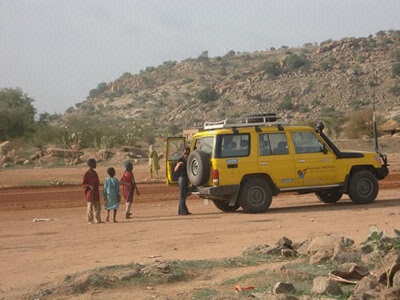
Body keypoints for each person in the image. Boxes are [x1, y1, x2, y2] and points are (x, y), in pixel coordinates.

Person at [82, 158, 102, 224]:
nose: (95, 165)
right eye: (94, 164)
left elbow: (98, 182)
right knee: (90, 208)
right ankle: (90, 220)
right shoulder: (86, 174)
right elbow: (84, 184)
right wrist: (89, 186)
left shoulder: (95, 173)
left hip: (96, 192)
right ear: (90, 165)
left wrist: (97, 185)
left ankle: (98, 219)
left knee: (98, 207)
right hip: (89, 193)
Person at [174, 147, 191, 215]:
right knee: (182, 195)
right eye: (185, 153)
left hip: (186, 178)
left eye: (187, 153)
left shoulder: (190, 160)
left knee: (183, 195)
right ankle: (183, 211)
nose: (186, 155)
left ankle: (181, 210)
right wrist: (178, 165)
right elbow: (175, 170)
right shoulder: (180, 160)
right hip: (182, 178)